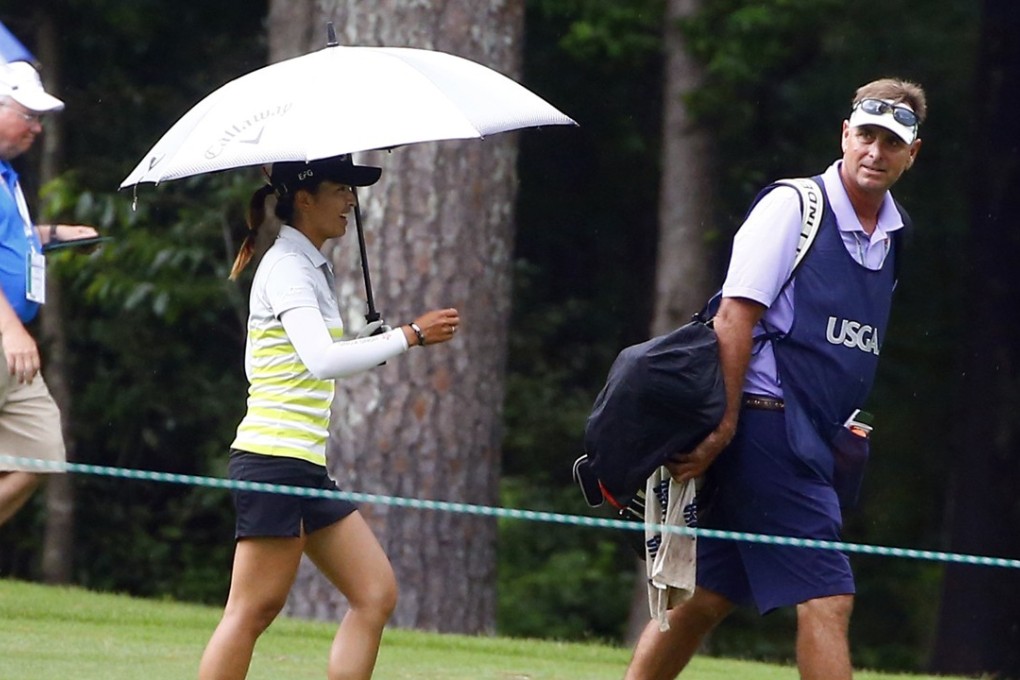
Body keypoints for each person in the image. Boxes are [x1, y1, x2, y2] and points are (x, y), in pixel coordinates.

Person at [623, 78, 926, 680]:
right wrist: (724, 424)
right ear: (845, 133)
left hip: (813, 436)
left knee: (707, 594)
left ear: (912, 154)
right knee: (828, 597)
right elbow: (736, 315)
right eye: (865, 135)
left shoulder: (895, 234)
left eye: (892, 142)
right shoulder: (794, 206)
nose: (875, 152)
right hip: (765, 424)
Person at [198, 154, 460, 680]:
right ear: (305, 199)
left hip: (302, 464)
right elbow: (321, 361)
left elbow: (317, 356)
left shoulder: (309, 265)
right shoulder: (289, 267)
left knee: (374, 592)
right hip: (273, 459)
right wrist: (408, 335)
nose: (350, 202)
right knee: (253, 609)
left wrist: (375, 340)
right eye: (340, 189)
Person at [0, 60, 99, 527]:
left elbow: (12, 238)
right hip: (7, 337)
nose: (36, 128)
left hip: (11, 346)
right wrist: (12, 330)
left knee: (42, 454)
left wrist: (55, 234)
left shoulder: (7, 176)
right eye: (29, 116)